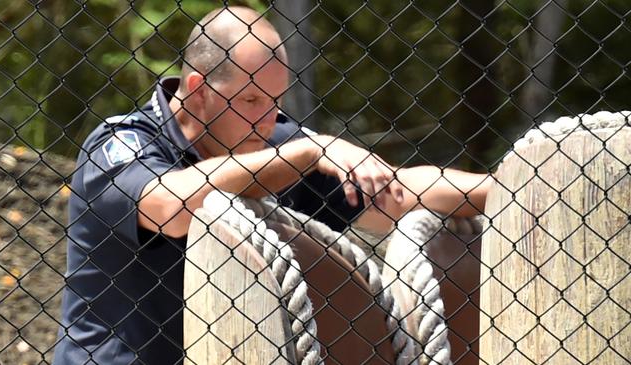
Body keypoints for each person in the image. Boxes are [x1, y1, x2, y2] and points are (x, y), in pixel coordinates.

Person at [53, 6, 491, 365]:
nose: (267, 119)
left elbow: (396, 193)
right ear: (198, 90)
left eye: (276, 101)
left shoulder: (268, 141)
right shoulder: (119, 144)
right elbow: (171, 209)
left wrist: (507, 187)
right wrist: (307, 152)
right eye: (250, 101)